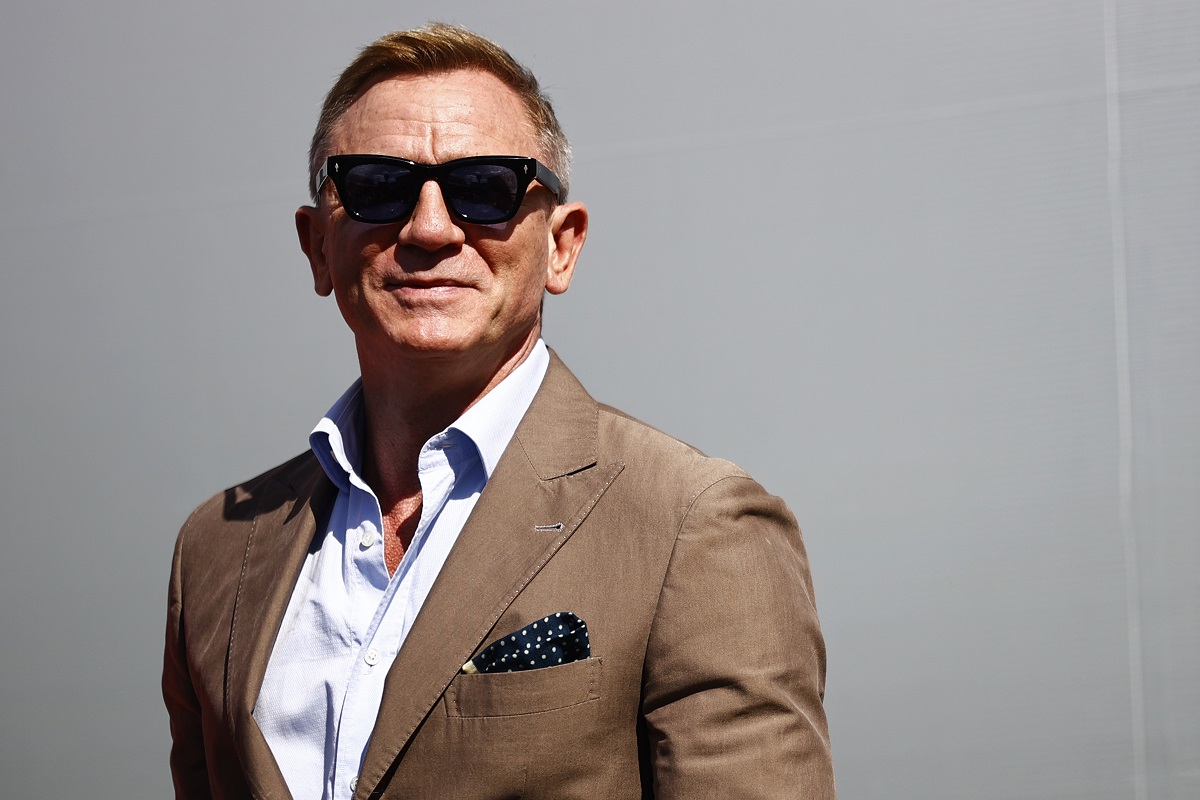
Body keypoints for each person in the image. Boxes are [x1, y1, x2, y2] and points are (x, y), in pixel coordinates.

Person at [162, 22, 834, 800]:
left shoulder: (693, 524)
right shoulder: (218, 549)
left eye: (485, 187)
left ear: (562, 246)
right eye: (377, 185)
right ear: (317, 247)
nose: (429, 228)